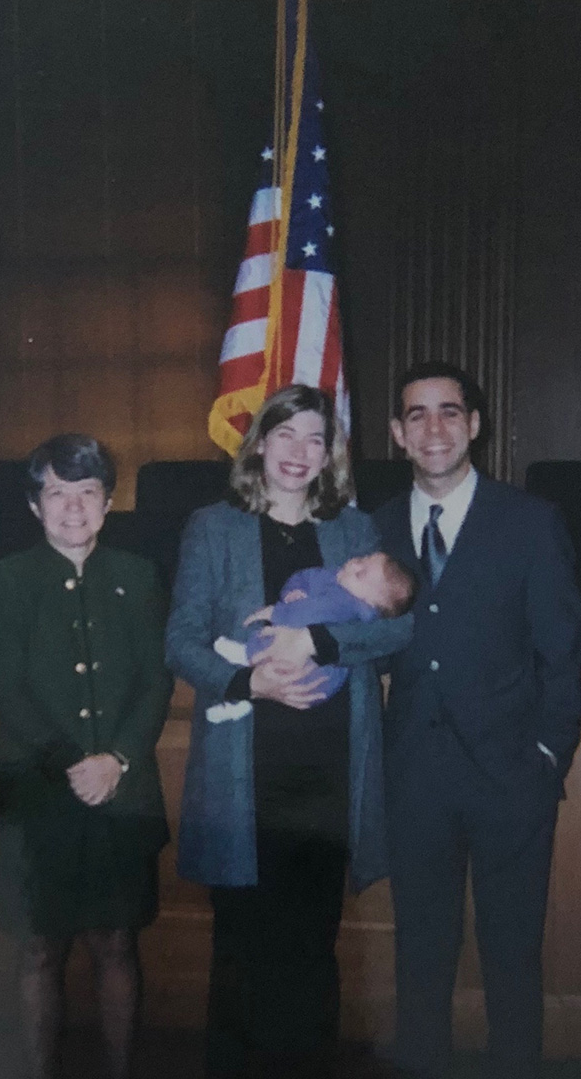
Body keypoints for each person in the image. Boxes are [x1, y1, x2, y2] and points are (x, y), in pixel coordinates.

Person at [165, 384, 413, 1079]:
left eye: (316, 439)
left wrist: (321, 646)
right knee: (242, 943)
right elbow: (181, 641)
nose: (301, 452)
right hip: (247, 773)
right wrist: (251, 681)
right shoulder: (212, 527)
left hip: (328, 770)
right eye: (287, 434)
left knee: (312, 943)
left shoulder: (353, 530)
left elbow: (400, 628)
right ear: (260, 443)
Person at [373, 363, 581, 1079]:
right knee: (421, 957)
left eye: (449, 412)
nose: (434, 428)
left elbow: (562, 658)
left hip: (510, 781)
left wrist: (545, 759)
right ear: (398, 434)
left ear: (474, 424)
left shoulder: (530, 522)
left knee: (512, 957)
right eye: (417, 415)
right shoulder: (368, 530)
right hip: (414, 783)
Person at [0, 434, 173, 1079]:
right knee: (39, 950)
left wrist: (116, 759)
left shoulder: (138, 575)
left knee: (116, 942)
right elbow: (7, 688)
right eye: (56, 493)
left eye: (86, 492)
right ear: (35, 506)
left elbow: (157, 681)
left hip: (123, 789)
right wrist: (75, 763)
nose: (71, 507)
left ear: (109, 501)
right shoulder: (6, 579)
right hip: (33, 787)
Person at [207, 552, 415, 722]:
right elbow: (306, 577)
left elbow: (306, 613)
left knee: (275, 641)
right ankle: (243, 702)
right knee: (281, 657)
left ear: (370, 602)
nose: (352, 565)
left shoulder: (348, 602)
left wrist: (276, 612)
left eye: (360, 574)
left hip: (316, 677)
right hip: (314, 689)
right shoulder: (337, 580)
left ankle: (245, 655)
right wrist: (294, 590)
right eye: (360, 559)